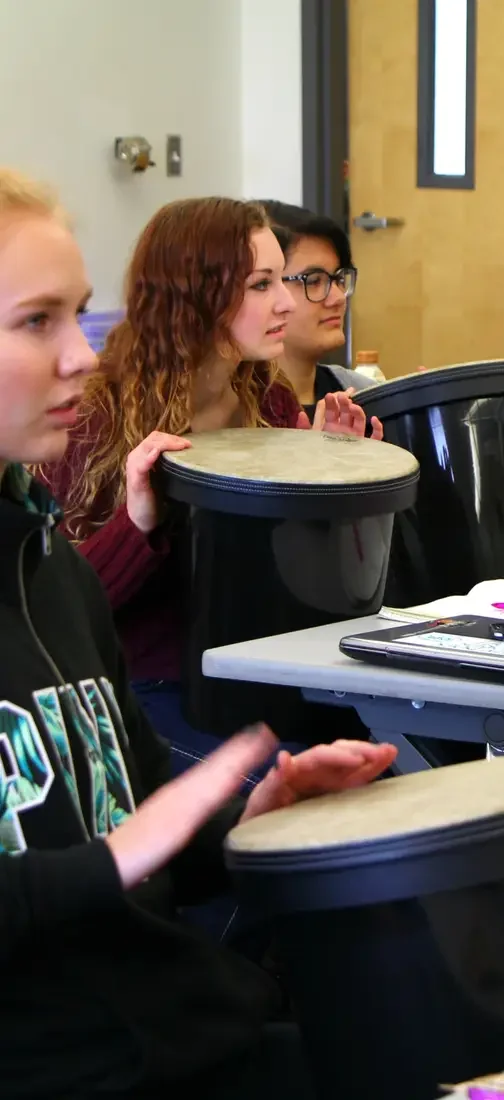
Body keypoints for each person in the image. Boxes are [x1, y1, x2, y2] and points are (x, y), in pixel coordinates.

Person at [0, 165, 399, 1098]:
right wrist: (118, 860)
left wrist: (238, 823)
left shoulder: (45, 570)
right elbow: (115, 854)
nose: (81, 354)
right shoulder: (95, 439)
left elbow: (132, 804)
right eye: (36, 321)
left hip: (162, 1030)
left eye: (79, 315)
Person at [36, 197, 377, 772]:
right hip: (147, 689)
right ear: (197, 294)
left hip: (257, 673)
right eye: (261, 285)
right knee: (294, 788)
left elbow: (294, 581)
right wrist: (139, 522)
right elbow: (61, 611)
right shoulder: (96, 415)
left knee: (380, 758)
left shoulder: (266, 399)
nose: (287, 303)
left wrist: (328, 482)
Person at [260, 199, 368, 420]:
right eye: (314, 281)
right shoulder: (228, 411)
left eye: (338, 278)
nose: (338, 298)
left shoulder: (361, 394)